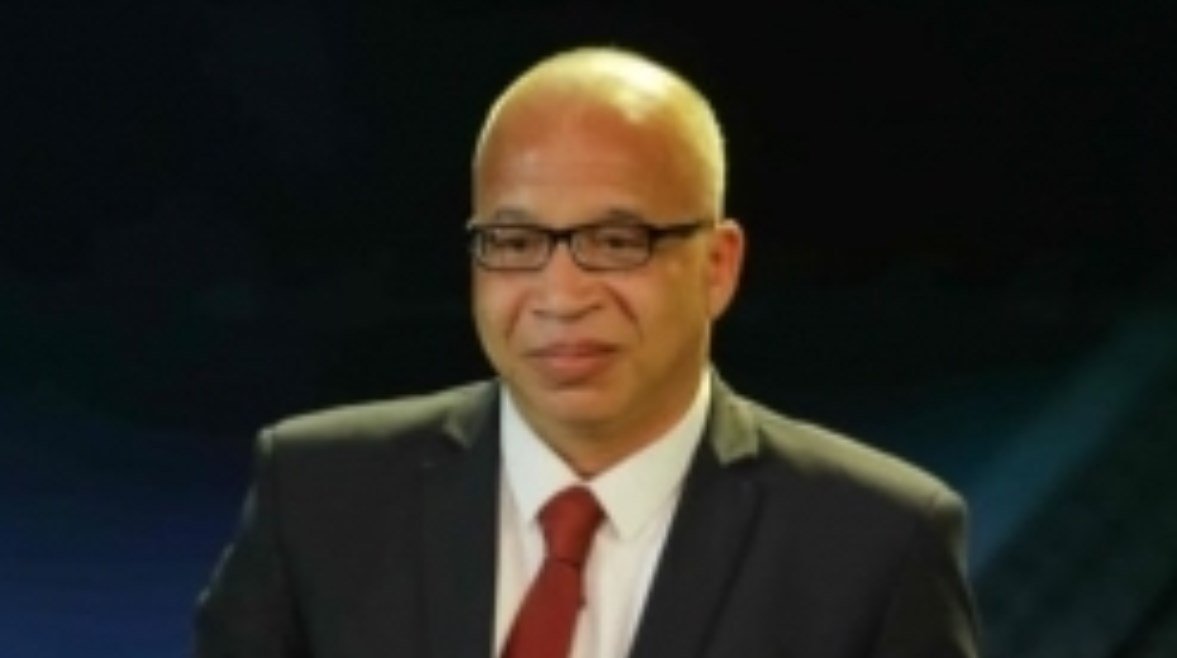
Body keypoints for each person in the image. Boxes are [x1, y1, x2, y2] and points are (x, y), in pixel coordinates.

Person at [194, 46, 980, 658]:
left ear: (717, 266)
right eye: (515, 242)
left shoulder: (877, 544)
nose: (561, 294)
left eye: (615, 240)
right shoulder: (315, 495)